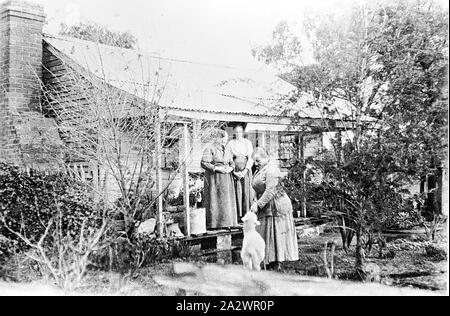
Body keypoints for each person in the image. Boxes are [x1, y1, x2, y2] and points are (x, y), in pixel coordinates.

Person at [250, 147, 299, 270]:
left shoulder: (272, 169)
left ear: (265, 158)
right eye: (254, 161)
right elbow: (257, 187)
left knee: (275, 233)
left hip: (276, 205)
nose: (255, 164)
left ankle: (276, 262)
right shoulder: (260, 170)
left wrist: (258, 204)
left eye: (257, 160)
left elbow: (270, 191)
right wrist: (255, 199)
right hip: (266, 204)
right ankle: (267, 260)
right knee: (264, 233)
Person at [201, 129, 238, 229]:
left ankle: (227, 223)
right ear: (216, 139)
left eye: (225, 140)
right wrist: (217, 168)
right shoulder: (210, 148)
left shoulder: (227, 149)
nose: (224, 142)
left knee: (227, 200)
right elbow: (204, 163)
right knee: (216, 200)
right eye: (222, 140)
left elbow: (232, 162)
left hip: (226, 178)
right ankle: (216, 224)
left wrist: (231, 168)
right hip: (214, 179)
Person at [226, 125, 254, 221]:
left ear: (243, 133)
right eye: (236, 132)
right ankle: (237, 216)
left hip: (245, 170)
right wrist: (234, 172)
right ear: (234, 133)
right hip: (235, 169)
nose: (238, 134)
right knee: (237, 191)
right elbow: (229, 158)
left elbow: (251, 158)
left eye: (240, 132)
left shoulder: (247, 143)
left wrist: (246, 170)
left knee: (246, 191)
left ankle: (247, 215)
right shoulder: (231, 143)